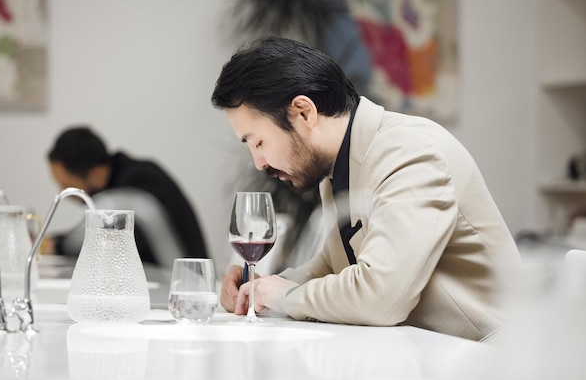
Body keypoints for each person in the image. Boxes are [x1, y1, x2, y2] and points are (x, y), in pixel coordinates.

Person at [211, 36, 522, 342]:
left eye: (258, 142)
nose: (259, 163)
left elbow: (383, 297)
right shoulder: (340, 166)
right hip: (426, 358)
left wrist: (287, 296)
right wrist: (259, 288)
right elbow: (333, 269)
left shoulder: (410, 153)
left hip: (491, 364)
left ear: (304, 113)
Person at [45, 126, 209, 266]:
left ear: (97, 175)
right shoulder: (135, 174)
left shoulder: (133, 187)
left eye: (67, 186)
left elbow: (100, 239)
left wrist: (56, 246)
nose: (64, 193)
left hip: (182, 290)